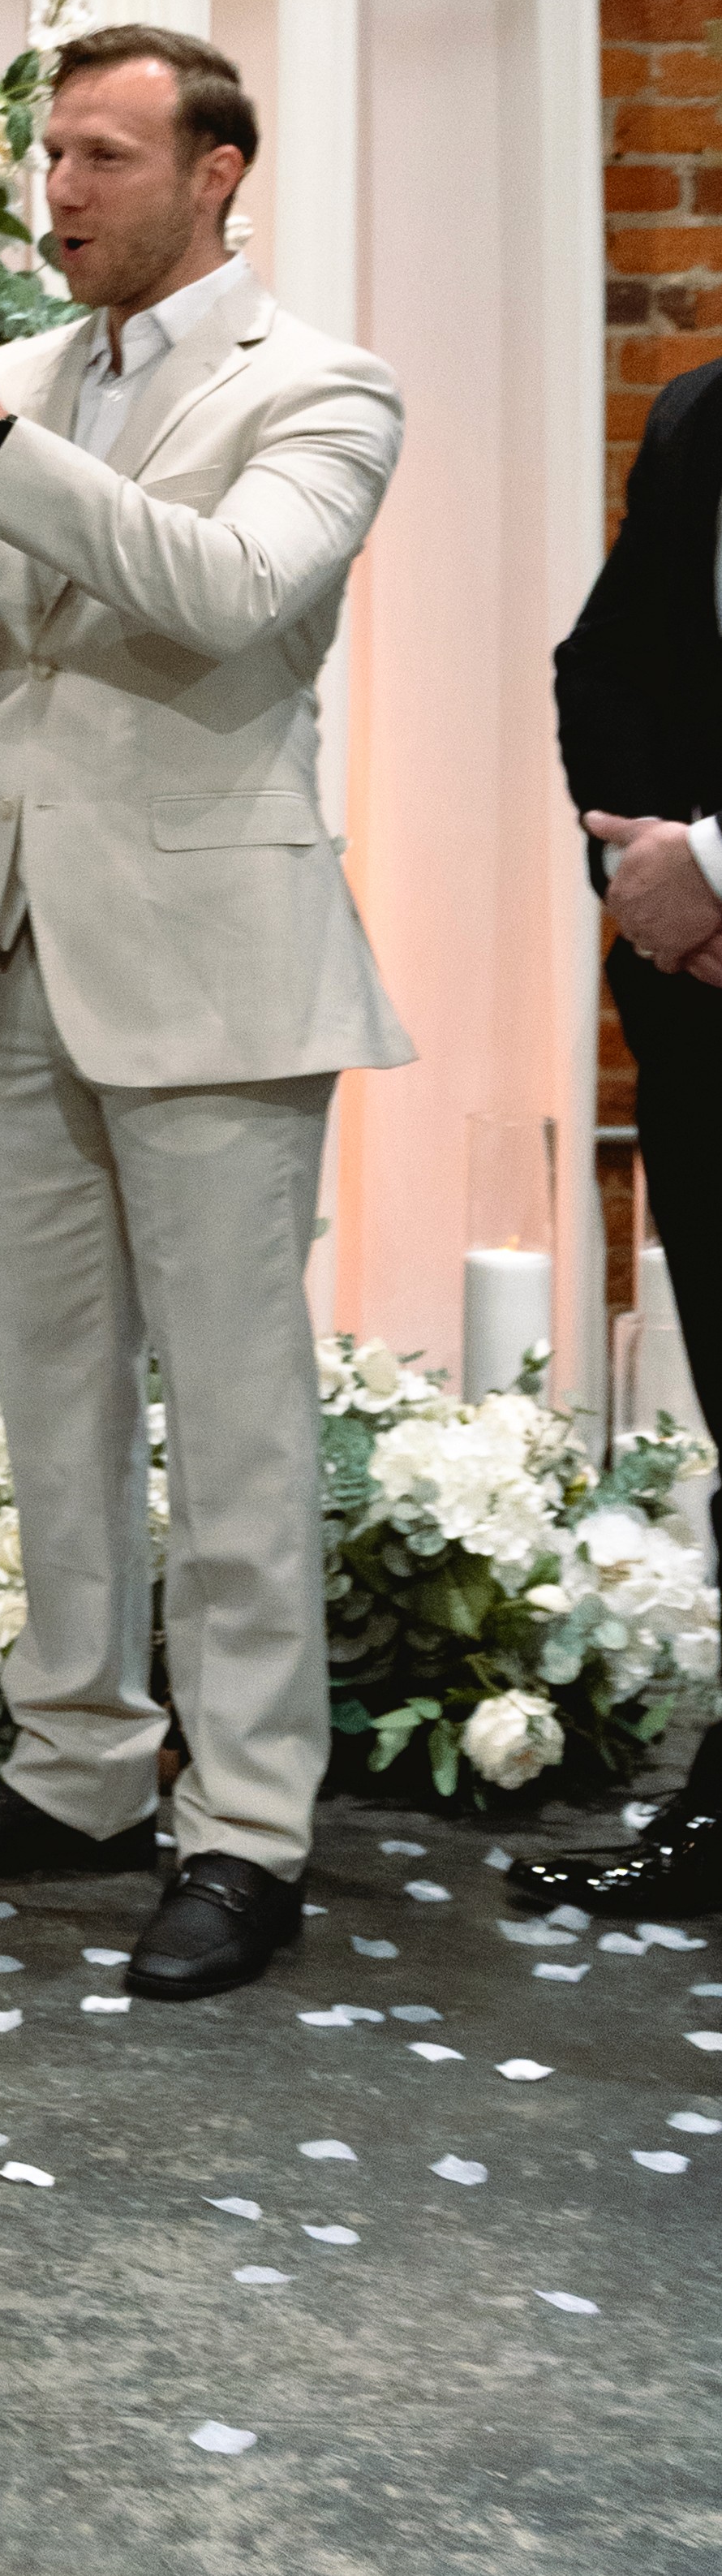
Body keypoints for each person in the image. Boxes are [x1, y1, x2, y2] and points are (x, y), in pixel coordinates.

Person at [0, 25, 409, 1997]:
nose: (58, 190)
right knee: (51, 1401)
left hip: (217, 969)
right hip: (18, 949)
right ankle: (75, 1765)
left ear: (220, 169)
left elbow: (227, 588)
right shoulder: (35, 381)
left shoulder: (319, 382)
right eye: (49, 153)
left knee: (232, 1423)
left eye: (104, 156)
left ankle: (247, 1829)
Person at [535, 363, 722, 1922]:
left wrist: (717, 862)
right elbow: (602, 669)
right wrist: (650, 890)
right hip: (702, 1009)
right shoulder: (697, 413)